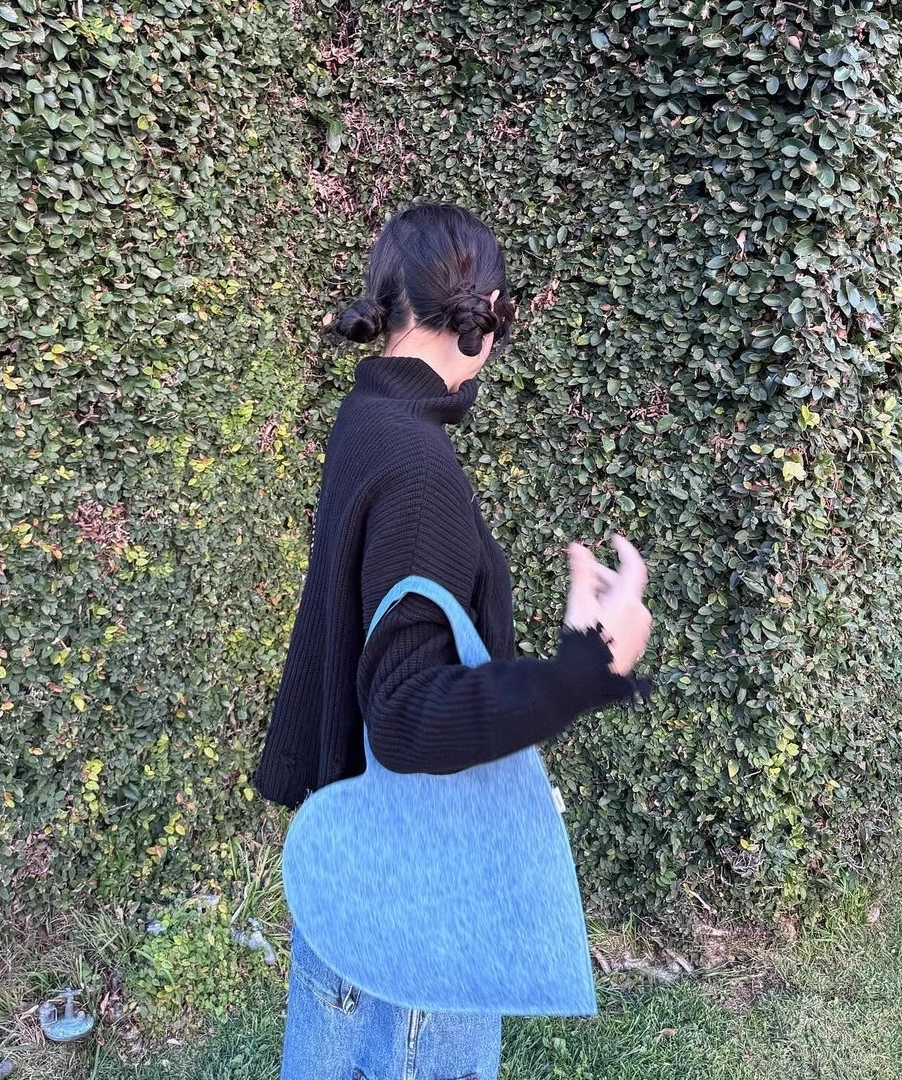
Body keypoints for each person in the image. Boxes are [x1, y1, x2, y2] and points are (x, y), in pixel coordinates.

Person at [254, 203, 652, 1080]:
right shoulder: (419, 470)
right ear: (488, 317)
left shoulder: (368, 420)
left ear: (388, 303)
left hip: (361, 885)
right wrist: (585, 669)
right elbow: (404, 716)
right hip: (414, 913)